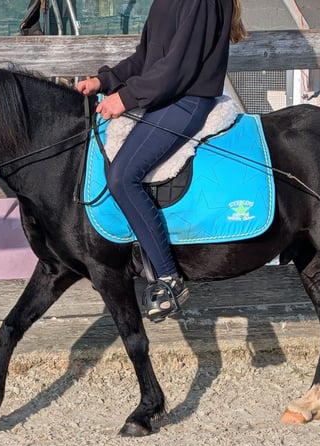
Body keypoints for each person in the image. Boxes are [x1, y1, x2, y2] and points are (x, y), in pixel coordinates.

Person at [76, 0, 247, 322]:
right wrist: (105, 81)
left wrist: (125, 98)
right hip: (163, 98)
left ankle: (169, 278)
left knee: (122, 176)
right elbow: (146, 59)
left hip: (186, 101)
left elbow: (177, 68)